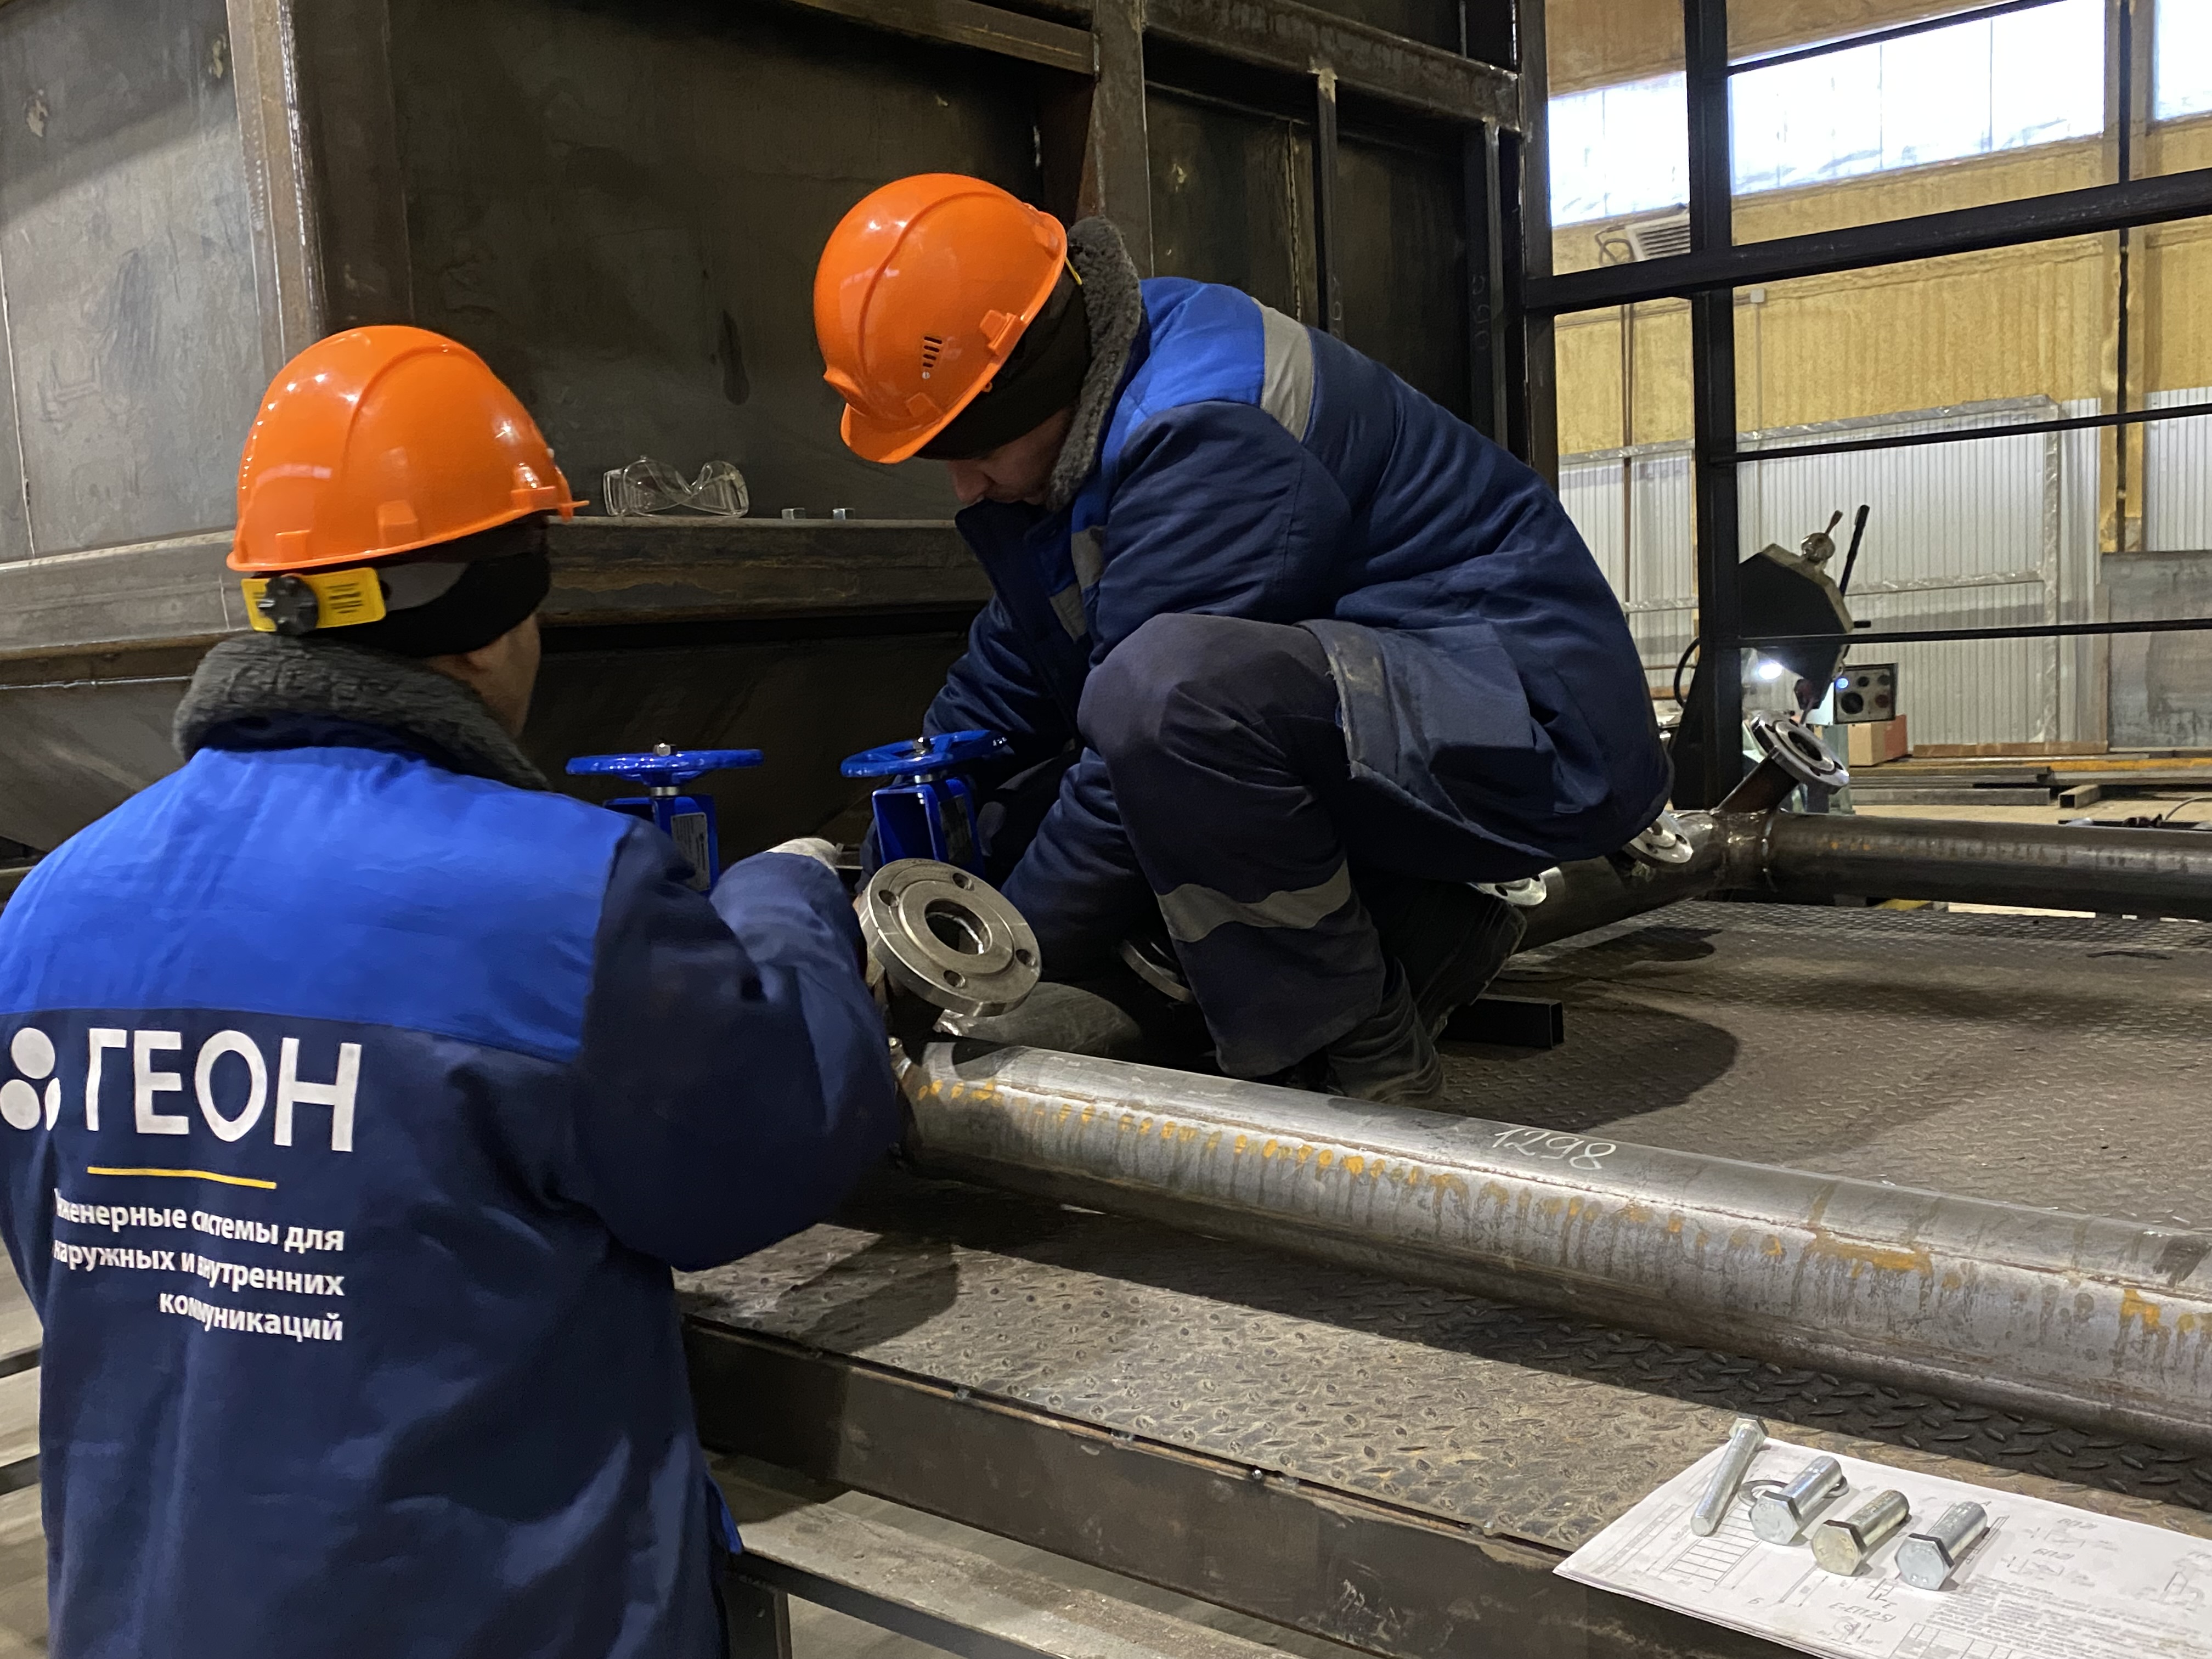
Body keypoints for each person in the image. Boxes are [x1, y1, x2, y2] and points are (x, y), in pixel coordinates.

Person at [0, 326, 898, 1657]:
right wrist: (792, 896)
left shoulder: (47, 913)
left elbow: (87, 1265)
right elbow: (771, 1146)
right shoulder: (561, 898)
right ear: (500, 609)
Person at [812, 174, 1669, 1103]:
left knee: (1166, 698)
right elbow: (1019, 664)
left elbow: (1142, 744)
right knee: (1026, 791)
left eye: (971, 449)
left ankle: (1363, 1058)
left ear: (1036, 380)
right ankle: (1423, 928)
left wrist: (994, 957)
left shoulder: (1200, 429)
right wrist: (898, 864)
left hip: (1541, 733)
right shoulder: (1096, 398)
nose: (963, 488)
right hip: (1418, 714)